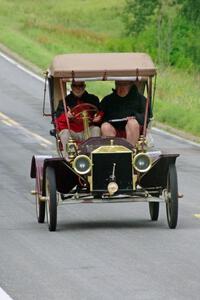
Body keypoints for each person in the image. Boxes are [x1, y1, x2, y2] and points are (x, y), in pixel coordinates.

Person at [100, 81, 152, 146]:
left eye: (124, 84)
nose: (120, 88)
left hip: (133, 130)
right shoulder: (108, 100)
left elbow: (147, 117)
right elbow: (101, 116)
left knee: (132, 123)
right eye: (118, 84)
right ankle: (113, 153)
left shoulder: (140, 99)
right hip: (113, 129)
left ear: (130, 84)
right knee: (105, 126)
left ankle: (131, 151)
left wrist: (135, 117)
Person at [55, 81, 101, 154]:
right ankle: (68, 158)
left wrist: (98, 118)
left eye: (80, 86)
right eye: (75, 86)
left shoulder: (93, 99)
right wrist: (67, 115)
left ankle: (93, 156)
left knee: (96, 129)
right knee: (65, 133)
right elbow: (58, 119)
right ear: (72, 87)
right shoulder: (64, 101)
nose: (78, 88)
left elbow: (99, 113)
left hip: (88, 129)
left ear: (84, 86)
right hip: (72, 131)